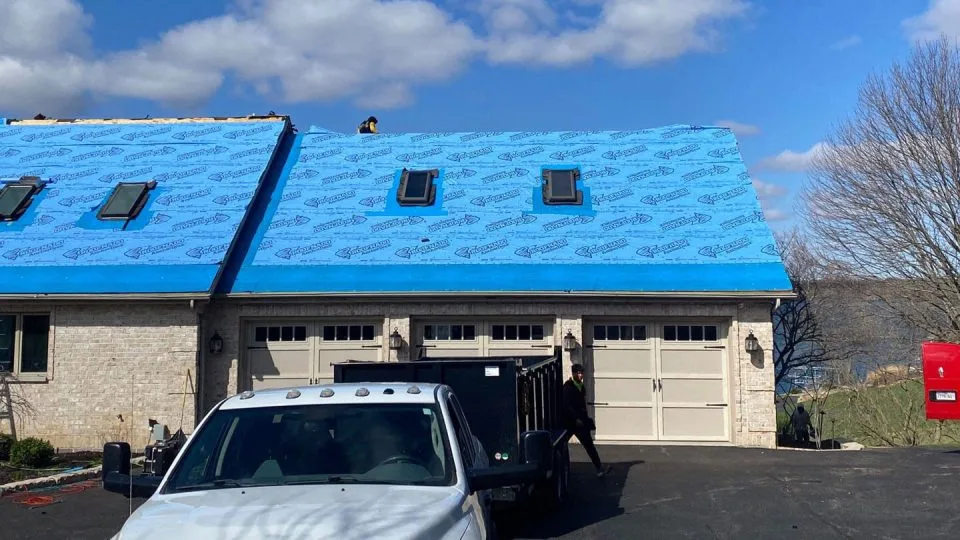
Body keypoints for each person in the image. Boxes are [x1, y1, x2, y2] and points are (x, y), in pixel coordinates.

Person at [561, 363, 612, 478]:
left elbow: (582, 405)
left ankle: (599, 468)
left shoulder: (581, 386)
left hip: (581, 423)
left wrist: (585, 419)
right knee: (562, 444)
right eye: (578, 373)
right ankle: (564, 468)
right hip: (571, 422)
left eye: (582, 373)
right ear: (573, 374)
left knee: (589, 445)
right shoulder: (568, 387)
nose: (581, 375)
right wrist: (575, 419)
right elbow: (567, 406)